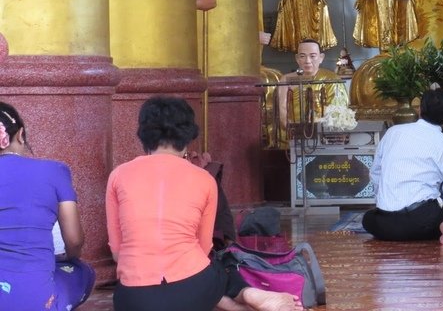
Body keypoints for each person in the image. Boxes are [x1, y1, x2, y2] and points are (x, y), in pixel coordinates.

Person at [105, 96, 302, 311]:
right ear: (188, 136)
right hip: (193, 292)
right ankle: (248, 295)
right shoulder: (204, 178)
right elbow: (203, 246)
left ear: (143, 134)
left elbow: (117, 252)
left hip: (132, 299)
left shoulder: (118, 176)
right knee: (219, 262)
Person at [0, 102, 95, 311]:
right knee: (83, 271)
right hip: (35, 300)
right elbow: (74, 240)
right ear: (20, 135)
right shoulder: (54, 171)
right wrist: (64, 257)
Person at [362, 88, 443, 244]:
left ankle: (435, 225)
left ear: (420, 109)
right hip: (420, 221)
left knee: (368, 218)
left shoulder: (393, 132)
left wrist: (387, 202)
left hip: (384, 225)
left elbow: (376, 174)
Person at [275, 38, 350, 135]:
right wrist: (291, 129)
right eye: (302, 56)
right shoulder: (286, 79)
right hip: (292, 132)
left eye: (313, 56)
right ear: (297, 59)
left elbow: (338, 109)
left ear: (321, 58)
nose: (307, 61)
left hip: (323, 132)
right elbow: (282, 108)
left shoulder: (331, 79)